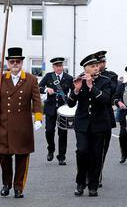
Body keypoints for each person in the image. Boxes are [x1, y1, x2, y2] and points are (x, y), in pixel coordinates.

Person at [0, 47, 43, 198]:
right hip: (4, 125)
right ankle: (6, 183)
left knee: (22, 157)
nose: (15, 64)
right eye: (12, 61)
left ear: (22, 63)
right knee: (3, 157)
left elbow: (37, 101)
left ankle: (18, 187)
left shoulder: (31, 79)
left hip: (23, 126)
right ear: (7, 63)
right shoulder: (0, 79)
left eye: (18, 61)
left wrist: (38, 118)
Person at [68, 53, 113, 197]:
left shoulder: (105, 81)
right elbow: (70, 103)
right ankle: (80, 183)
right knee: (82, 151)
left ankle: (93, 185)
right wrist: (76, 90)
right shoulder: (77, 80)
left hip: (99, 124)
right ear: (85, 69)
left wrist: (91, 86)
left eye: (96, 66)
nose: (96, 68)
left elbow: (105, 99)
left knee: (96, 155)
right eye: (92, 66)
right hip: (82, 124)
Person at [38, 57, 74, 165]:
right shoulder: (49, 76)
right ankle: (51, 149)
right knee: (49, 131)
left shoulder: (68, 78)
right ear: (53, 67)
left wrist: (71, 101)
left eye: (61, 65)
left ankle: (61, 156)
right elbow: (39, 86)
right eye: (57, 66)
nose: (59, 68)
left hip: (63, 110)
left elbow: (74, 91)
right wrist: (46, 89)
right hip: (50, 109)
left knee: (63, 133)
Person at [94, 50, 118, 187]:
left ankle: (98, 173)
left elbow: (112, 92)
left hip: (105, 116)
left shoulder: (111, 76)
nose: (102, 64)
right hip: (90, 117)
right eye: (99, 62)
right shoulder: (85, 76)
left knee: (103, 148)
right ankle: (88, 173)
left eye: (103, 62)